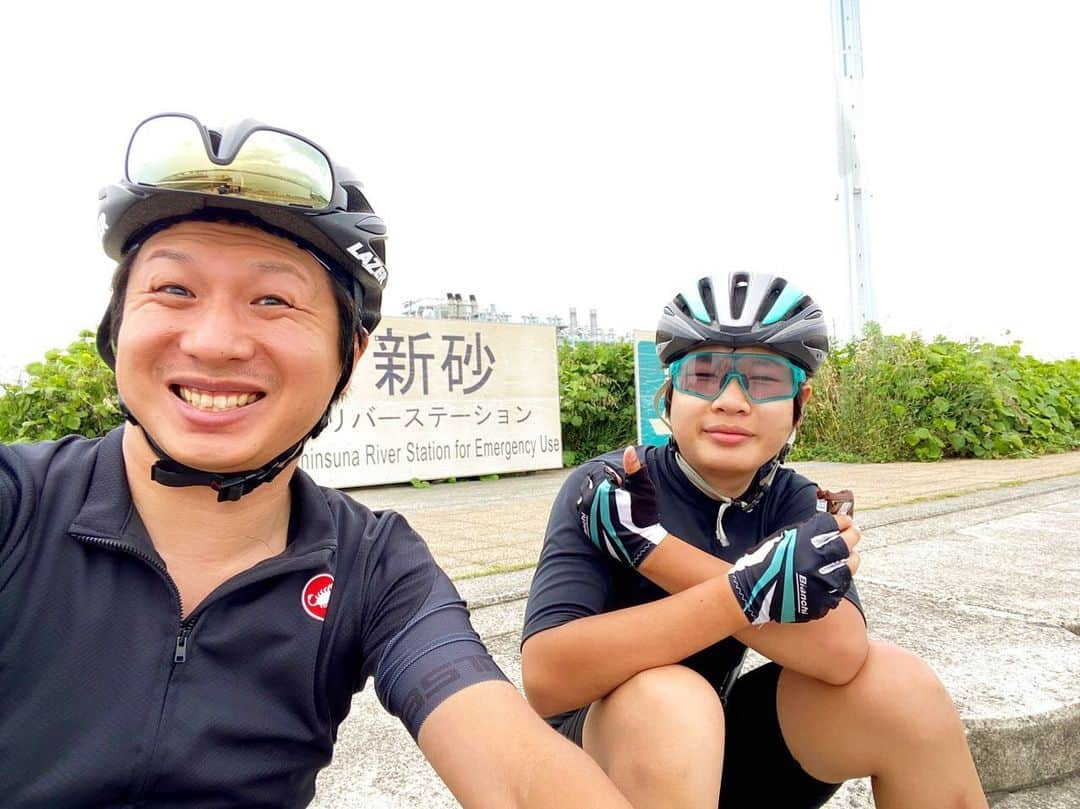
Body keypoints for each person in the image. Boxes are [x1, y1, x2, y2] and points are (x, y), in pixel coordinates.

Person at [0, 113, 634, 809]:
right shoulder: (19, 504)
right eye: (173, 289)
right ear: (118, 325)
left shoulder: (373, 564)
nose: (214, 342)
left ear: (351, 355)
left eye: (272, 299)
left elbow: (514, 766)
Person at [521, 272, 988, 808]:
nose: (732, 401)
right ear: (668, 395)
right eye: (704, 374)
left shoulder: (790, 498)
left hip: (717, 753)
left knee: (898, 687)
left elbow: (840, 655)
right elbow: (547, 680)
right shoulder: (610, 490)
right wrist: (752, 588)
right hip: (590, 769)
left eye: (764, 379)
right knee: (673, 703)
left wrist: (656, 552)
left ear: (800, 405)